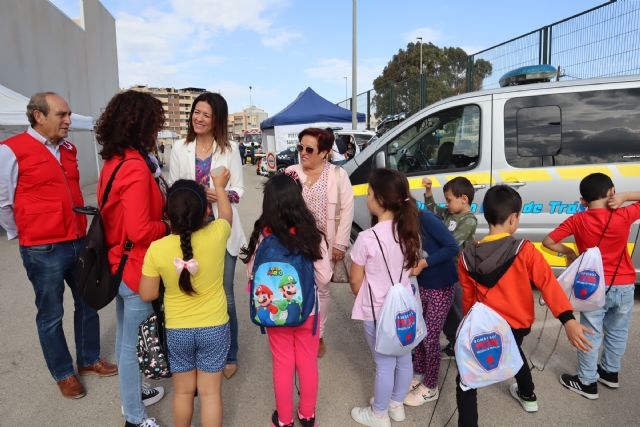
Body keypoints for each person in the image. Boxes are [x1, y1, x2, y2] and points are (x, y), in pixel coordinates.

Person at [0, 92, 117, 398]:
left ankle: (89, 360)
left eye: (68, 114)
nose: (68, 121)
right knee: (51, 314)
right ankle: (64, 373)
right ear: (38, 116)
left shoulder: (68, 149)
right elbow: (3, 201)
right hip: (43, 248)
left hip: (78, 240)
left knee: (88, 302)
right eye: (61, 115)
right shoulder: (10, 150)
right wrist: (22, 232)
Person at [457, 185, 592, 427]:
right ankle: (528, 395)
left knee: (466, 379)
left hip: (484, 327)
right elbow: (549, 285)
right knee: (514, 352)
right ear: (513, 218)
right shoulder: (525, 250)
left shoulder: (467, 256)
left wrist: (466, 327)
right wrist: (568, 319)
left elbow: (468, 297)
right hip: (516, 325)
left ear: (486, 215)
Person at [96, 90, 168, 427]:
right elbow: (141, 230)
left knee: (129, 336)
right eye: (155, 124)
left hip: (119, 261)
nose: (157, 131)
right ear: (142, 125)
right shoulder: (137, 168)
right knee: (130, 346)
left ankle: (135, 392)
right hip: (137, 267)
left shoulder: (113, 161)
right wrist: (167, 224)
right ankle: (135, 417)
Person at [139, 174, 233, 427]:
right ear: (205, 213)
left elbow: (147, 294)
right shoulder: (217, 233)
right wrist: (220, 187)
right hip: (214, 326)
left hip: (177, 329)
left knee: (182, 392)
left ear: (167, 214)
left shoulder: (157, 249)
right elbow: (226, 215)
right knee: (210, 393)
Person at [241, 173, 332, 427]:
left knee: (282, 364)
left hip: (273, 312)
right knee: (307, 363)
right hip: (308, 311)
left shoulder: (263, 234)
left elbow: (251, 274)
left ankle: (284, 420)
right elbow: (324, 278)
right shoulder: (312, 234)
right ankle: (307, 415)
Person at [169, 92, 246, 379]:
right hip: (190, 231)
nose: (198, 118)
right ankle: (196, 350)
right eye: (196, 112)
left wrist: (223, 194)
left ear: (217, 120)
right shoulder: (179, 148)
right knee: (193, 291)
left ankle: (230, 352)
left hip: (222, 230)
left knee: (224, 294)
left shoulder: (230, 149)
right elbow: (174, 187)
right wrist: (197, 193)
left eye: (206, 114)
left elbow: (240, 188)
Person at [542, 173, 640, 399]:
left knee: (590, 333)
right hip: (624, 283)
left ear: (583, 201)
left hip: (593, 286)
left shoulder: (578, 220)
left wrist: (569, 252)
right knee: (617, 332)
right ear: (612, 192)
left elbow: (548, 241)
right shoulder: (624, 214)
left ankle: (587, 382)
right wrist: (626, 196)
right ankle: (610, 373)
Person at [349, 168, 424, 427]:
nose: (367, 197)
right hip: (404, 311)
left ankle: (378, 414)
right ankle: (396, 405)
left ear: (380, 199)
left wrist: (364, 296)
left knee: (383, 363)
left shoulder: (367, 238)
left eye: (369, 193)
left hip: (377, 311)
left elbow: (355, 281)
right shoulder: (408, 231)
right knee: (404, 358)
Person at [286, 127, 354, 357]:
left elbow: (347, 210)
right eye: (300, 148)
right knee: (294, 287)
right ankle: (296, 330)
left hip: (325, 243)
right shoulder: (290, 173)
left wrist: (340, 244)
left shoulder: (337, 174)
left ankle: (319, 333)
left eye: (309, 149)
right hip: (294, 243)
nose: (303, 153)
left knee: (322, 288)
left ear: (324, 152)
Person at [404, 190, 459, 406]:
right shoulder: (403, 222)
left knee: (430, 336)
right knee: (419, 332)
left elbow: (452, 247)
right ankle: (418, 373)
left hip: (440, 286)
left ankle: (431, 385)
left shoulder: (426, 218)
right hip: (421, 285)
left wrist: (424, 263)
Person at [422, 176, 477, 358]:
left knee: (459, 309)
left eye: (449, 200)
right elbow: (433, 210)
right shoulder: (448, 213)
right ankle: (454, 341)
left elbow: (452, 242)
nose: (446, 204)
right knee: (446, 311)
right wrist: (429, 192)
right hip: (444, 270)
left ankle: (465, 346)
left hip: (458, 273)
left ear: (464, 199)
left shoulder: (468, 221)